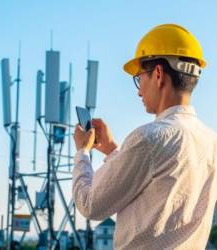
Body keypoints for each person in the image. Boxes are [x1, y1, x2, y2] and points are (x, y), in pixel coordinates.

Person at [72, 23, 217, 249]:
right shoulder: (211, 141)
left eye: (139, 78)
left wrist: (82, 152)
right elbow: (152, 185)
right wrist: (112, 151)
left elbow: (89, 204)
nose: (139, 90)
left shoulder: (149, 139)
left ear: (158, 74)